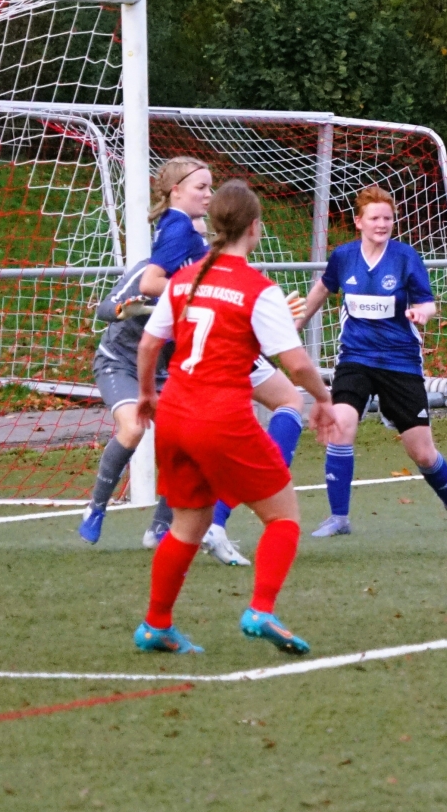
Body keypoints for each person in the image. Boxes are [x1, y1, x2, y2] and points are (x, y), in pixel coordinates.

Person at [131, 180, 337, 655]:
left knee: (188, 525)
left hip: (175, 413)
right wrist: (324, 398)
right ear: (254, 228)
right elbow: (297, 364)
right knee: (283, 517)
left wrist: (145, 395)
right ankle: (261, 609)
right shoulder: (257, 288)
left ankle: (156, 625)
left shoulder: (184, 279)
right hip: (220, 416)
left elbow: (148, 344)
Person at [78, 157, 308, 567]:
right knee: (134, 428)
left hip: (180, 364)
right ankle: (96, 507)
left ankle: (163, 527)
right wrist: (129, 309)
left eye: (210, 193)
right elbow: (110, 306)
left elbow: (226, 310)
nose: (206, 198)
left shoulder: (208, 265)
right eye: (200, 188)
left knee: (193, 439)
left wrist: (269, 319)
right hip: (123, 361)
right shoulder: (167, 254)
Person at [293, 186, 447, 537]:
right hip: (355, 358)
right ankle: (339, 518)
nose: (382, 224)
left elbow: (428, 302)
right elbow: (322, 289)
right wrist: (294, 325)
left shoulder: (404, 257)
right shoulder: (344, 257)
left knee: (423, 453)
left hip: (400, 362)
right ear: (359, 222)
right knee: (341, 426)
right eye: (374, 218)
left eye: (387, 218)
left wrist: (422, 313)